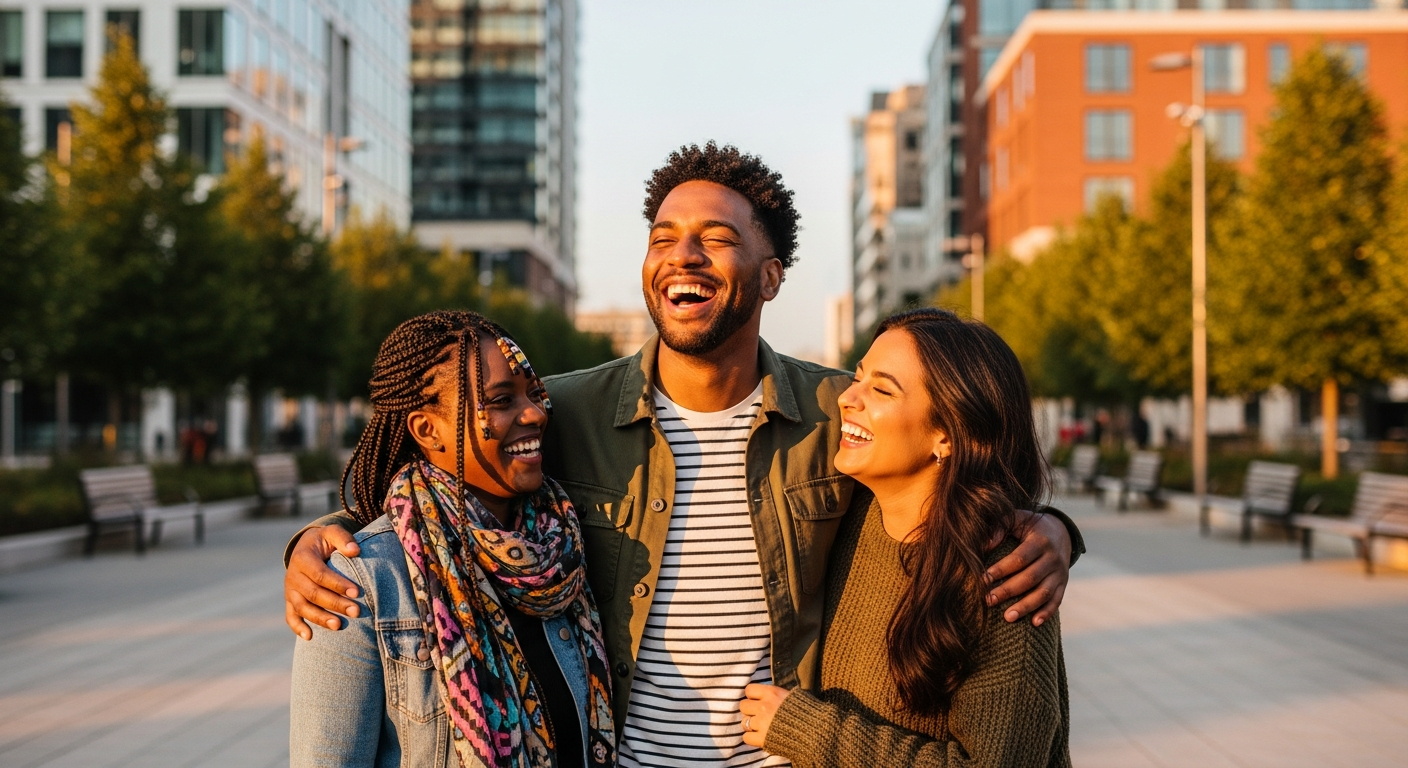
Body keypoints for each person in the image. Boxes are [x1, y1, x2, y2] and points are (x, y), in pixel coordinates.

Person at [284, 143, 1084, 766]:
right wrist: (323, 534)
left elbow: (951, 460)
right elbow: (446, 475)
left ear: (770, 277)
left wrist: (1048, 528)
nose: (684, 255)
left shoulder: (838, 411)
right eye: (664, 237)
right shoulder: (569, 408)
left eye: (716, 239)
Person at [738, 309, 1069, 766]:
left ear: (949, 434)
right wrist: (1060, 527)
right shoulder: (846, 515)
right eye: (858, 378)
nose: (847, 399)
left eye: (881, 389)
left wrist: (811, 731)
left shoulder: (1003, 575)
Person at [289, 311, 615, 768]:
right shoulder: (361, 582)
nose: (535, 413)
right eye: (501, 400)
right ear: (427, 430)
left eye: (534, 393)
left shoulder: (562, 552)